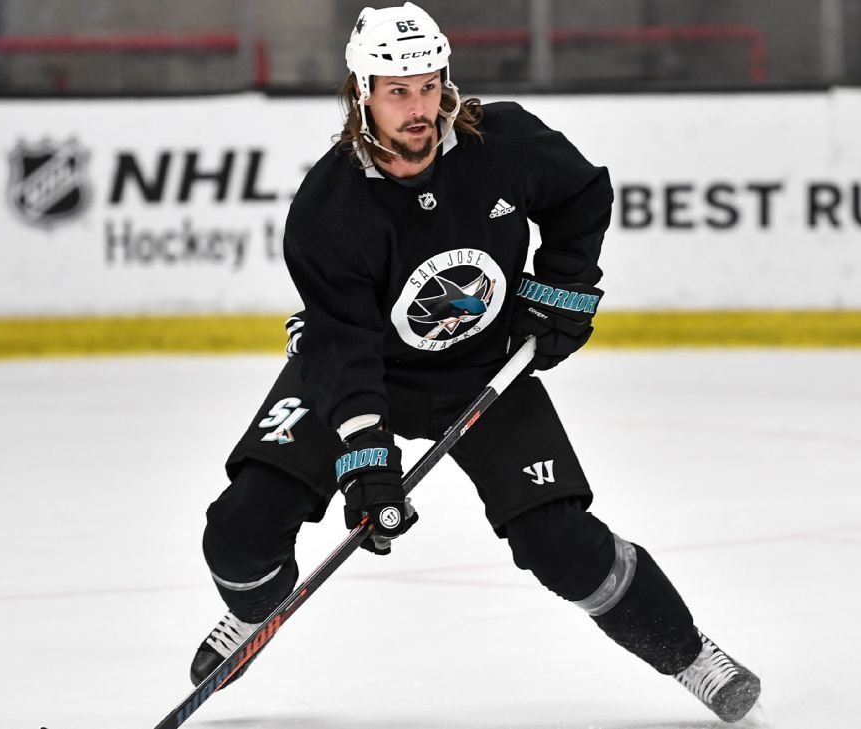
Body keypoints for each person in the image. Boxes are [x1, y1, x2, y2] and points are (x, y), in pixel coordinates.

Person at [190, 3, 762, 723]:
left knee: (561, 545)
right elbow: (345, 347)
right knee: (239, 534)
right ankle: (256, 608)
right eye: (399, 91)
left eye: (429, 86)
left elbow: (582, 194)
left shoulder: (503, 141)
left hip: (483, 367)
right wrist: (366, 460)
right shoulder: (329, 208)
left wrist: (561, 292)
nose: (419, 108)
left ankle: (689, 654)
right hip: (361, 370)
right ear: (362, 93)